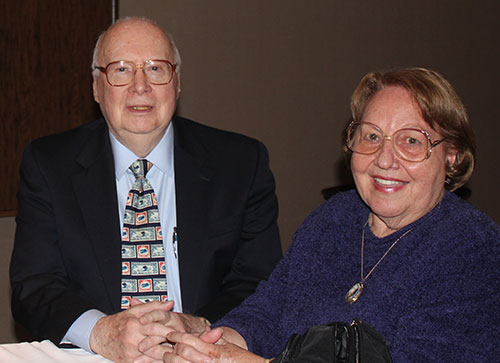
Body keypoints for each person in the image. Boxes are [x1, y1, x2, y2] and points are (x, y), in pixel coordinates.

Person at [160, 67, 500, 362]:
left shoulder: (473, 248)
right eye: (371, 136)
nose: (384, 160)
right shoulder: (335, 218)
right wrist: (216, 344)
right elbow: (269, 309)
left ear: (452, 155)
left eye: (411, 141)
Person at [10, 17, 282, 362]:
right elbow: (34, 285)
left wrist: (196, 326)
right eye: (121, 70)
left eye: (156, 68)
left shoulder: (241, 163)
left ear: (178, 83)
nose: (140, 86)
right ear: (96, 87)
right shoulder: (48, 164)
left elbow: (262, 283)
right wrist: (102, 332)